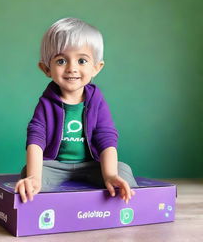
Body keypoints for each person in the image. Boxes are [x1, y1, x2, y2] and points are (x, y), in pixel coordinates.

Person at [15, 17, 138, 204]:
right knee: (29, 173)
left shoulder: (96, 100)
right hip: (56, 166)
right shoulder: (47, 102)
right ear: (46, 68)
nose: (72, 68)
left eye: (82, 60)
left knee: (123, 170)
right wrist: (34, 177)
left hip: (91, 165)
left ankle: (127, 203)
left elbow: (106, 138)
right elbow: (36, 138)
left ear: (96, 68)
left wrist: (111, 175)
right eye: (61, 61)